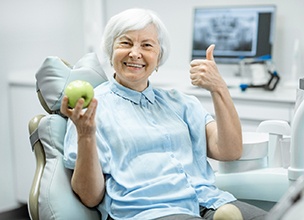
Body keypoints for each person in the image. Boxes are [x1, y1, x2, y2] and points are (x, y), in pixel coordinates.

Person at [61, 8, 267, 220]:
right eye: (125, 43)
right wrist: (85, 134)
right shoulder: (91, 110)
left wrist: (219, 88)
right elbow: (90, 197)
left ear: (158, 58)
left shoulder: (181, 103)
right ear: (110, 50)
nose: (135, 53)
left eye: (147, 45)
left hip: (209, 201)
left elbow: (230, 151)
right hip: (150, 212)